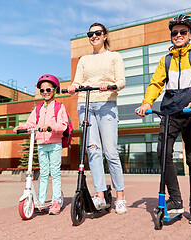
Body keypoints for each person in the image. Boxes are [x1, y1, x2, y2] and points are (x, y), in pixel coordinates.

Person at [135, 14, 191, 225]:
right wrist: (147, 102)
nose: (178, 35)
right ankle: (176, 199)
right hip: (170, 112)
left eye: (183, 32)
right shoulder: (166, 59)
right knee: (163, 153)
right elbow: (155, 84)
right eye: (174, 33)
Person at [67, 22, 127, 214]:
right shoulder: (84, 59)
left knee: (110, 152)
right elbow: (77, 82)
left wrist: (109, 85)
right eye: (90, 34)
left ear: (105, 35)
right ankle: (100, 195)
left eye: (97, 33)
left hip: (106, 105)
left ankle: (120, 197)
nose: (94, 36)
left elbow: (121, 82)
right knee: (93, 151)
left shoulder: (114, 57)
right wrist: (72, 87)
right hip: (85, 105)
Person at [13, 74, 69, 215]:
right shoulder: (38, 109)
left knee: (54, 172)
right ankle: (40, 199)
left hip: (54, 143)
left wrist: (50, 126)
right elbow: (31, 123)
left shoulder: (59, 107)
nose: (45, 93)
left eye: (48, 90)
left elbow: (63, 125)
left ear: (55, 90)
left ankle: (56, 201)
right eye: (42, 90)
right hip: (41, 144)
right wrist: (22, 127)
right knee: (43, 174)